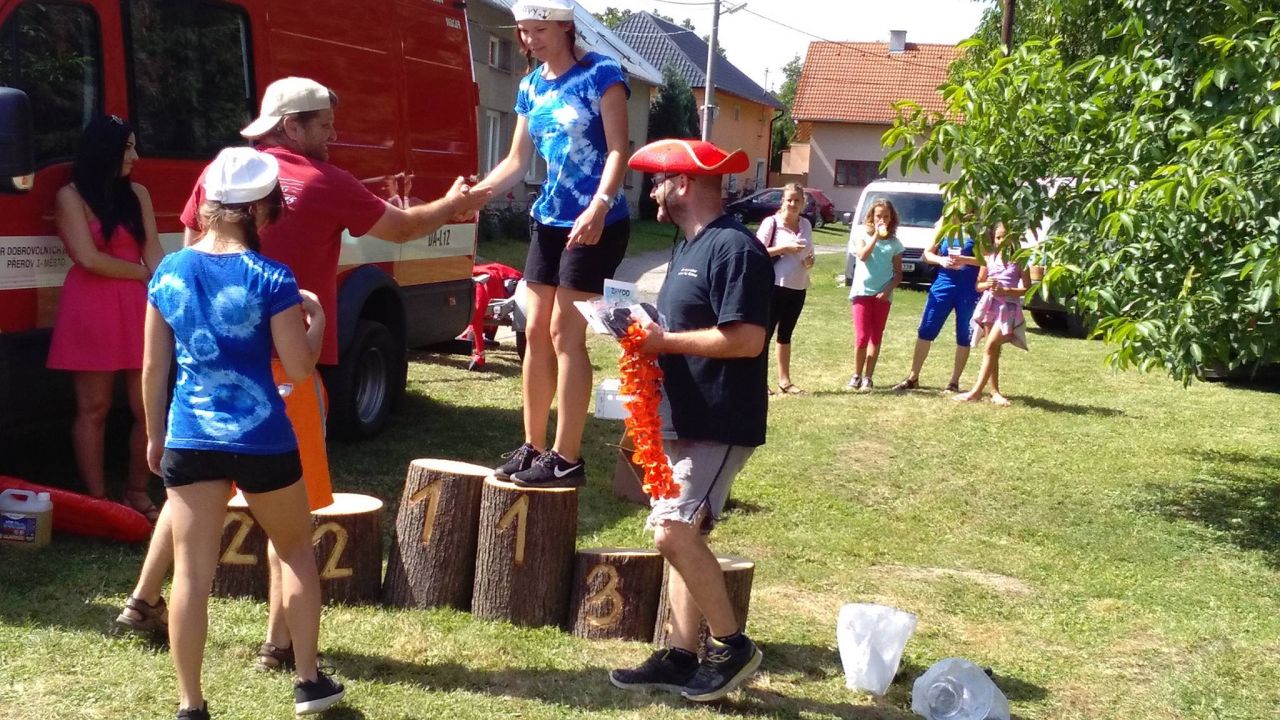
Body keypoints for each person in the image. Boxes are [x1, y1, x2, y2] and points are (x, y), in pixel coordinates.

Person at [115, 76, 491, 668]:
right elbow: (400, 228)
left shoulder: (221, 172)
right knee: (291, 524)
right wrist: (455, 205)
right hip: (284, 373)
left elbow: (190, 251)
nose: (333, 135)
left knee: (190, 497)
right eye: (324, 125)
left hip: (207, 376)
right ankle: (278, 645)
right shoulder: (324, 182)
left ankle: (143, 600)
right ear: (292, 125)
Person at [145, 147, 344, 719]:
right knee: (296, 552)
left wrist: (156, 436)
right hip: (263, 439)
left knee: (191, 574)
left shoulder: (168, 272)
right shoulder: (273, 277)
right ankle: (308, 682)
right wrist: (317, 322)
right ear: (258, 208)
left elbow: (154, 368)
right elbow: (299, 369)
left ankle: (191, 704)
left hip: (190, 437)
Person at [608, 138, 771, 702]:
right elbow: (683, 328)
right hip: (684, 415)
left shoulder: (735, 249)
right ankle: (681, 655)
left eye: (659, 181)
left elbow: (747, 339)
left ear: (683, 183)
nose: (652, 190)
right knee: (682, 536)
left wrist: (664, 341)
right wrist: (639, 329)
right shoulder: (686, 247)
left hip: (719, 418)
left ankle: (733, 646)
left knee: (672, 531)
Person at [470, 0, 631, 488]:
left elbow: (619, 150)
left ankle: (567, 457)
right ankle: (533, 446)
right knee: (533, 328)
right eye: (523, 31)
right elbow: (516, 162)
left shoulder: (602, 74)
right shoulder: (530, 86)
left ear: (564, 27)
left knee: (564, 332)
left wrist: (599, 205)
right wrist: (474, 197)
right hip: (549, 219)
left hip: (598, 219)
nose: (530, 40)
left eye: (538, 30)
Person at [47, 115, 165, 520]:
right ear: (104, 151)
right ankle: (98, 501)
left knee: (146, 406)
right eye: (127, 147)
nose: (135, 156)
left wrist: (167, 288)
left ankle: (137, 491)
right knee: (93, 407)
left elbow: (153, 250)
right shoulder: (70, 196)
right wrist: (142, 274)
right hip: (92, 307)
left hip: (138, 306)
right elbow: (88, 258)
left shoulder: (138, 193)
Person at [891, 216, 981, 393]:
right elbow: (926, 255)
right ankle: (913, 377)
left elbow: (986, 260)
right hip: (944, 284)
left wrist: (965, 260)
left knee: (964, 334)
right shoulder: (945, 224)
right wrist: (941, 260)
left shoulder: (978, 228)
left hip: (968, 288)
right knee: (927, 329)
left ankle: (954, 382)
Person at [955, 222, 1029, 405]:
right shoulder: (989, 258)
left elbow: (1027, 288)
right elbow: (978, 285)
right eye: (998, 237)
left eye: (1006, 237)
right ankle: (994, 391)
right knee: (992, 349)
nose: (1001, 241)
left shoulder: (1021, 260)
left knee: (990, 346)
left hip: (1008, 309)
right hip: (990, 305)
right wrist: (986, 285)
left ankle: (976, 392)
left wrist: (1007, 290)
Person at [756, 183, 815, 394]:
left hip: (798, 285)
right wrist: (784, 248)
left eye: (797, 200)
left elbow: (809, 254)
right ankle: (759, 383)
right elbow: (756, 251)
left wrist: (810, 260)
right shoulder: (771, 222)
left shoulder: (806, 224)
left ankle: (785, 381)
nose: (792, 204)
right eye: (789, 200)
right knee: (765, 335)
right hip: (775, 285)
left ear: (803, 203)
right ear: (782, 201)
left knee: (786, 334)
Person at [845, 199, 904, 392]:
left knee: (876, 336)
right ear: (872, 216)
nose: (882, 220)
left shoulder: (895, 243)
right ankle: (856, 375)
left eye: (886, 216)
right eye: (879, 216)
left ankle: (868, 377)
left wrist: (888, 290)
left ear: (891, 219)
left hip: (882, 295)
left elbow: (898, 273)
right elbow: (862, 256)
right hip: (862, 292)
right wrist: (876, 236)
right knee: (862, 336)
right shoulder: (861, 234)